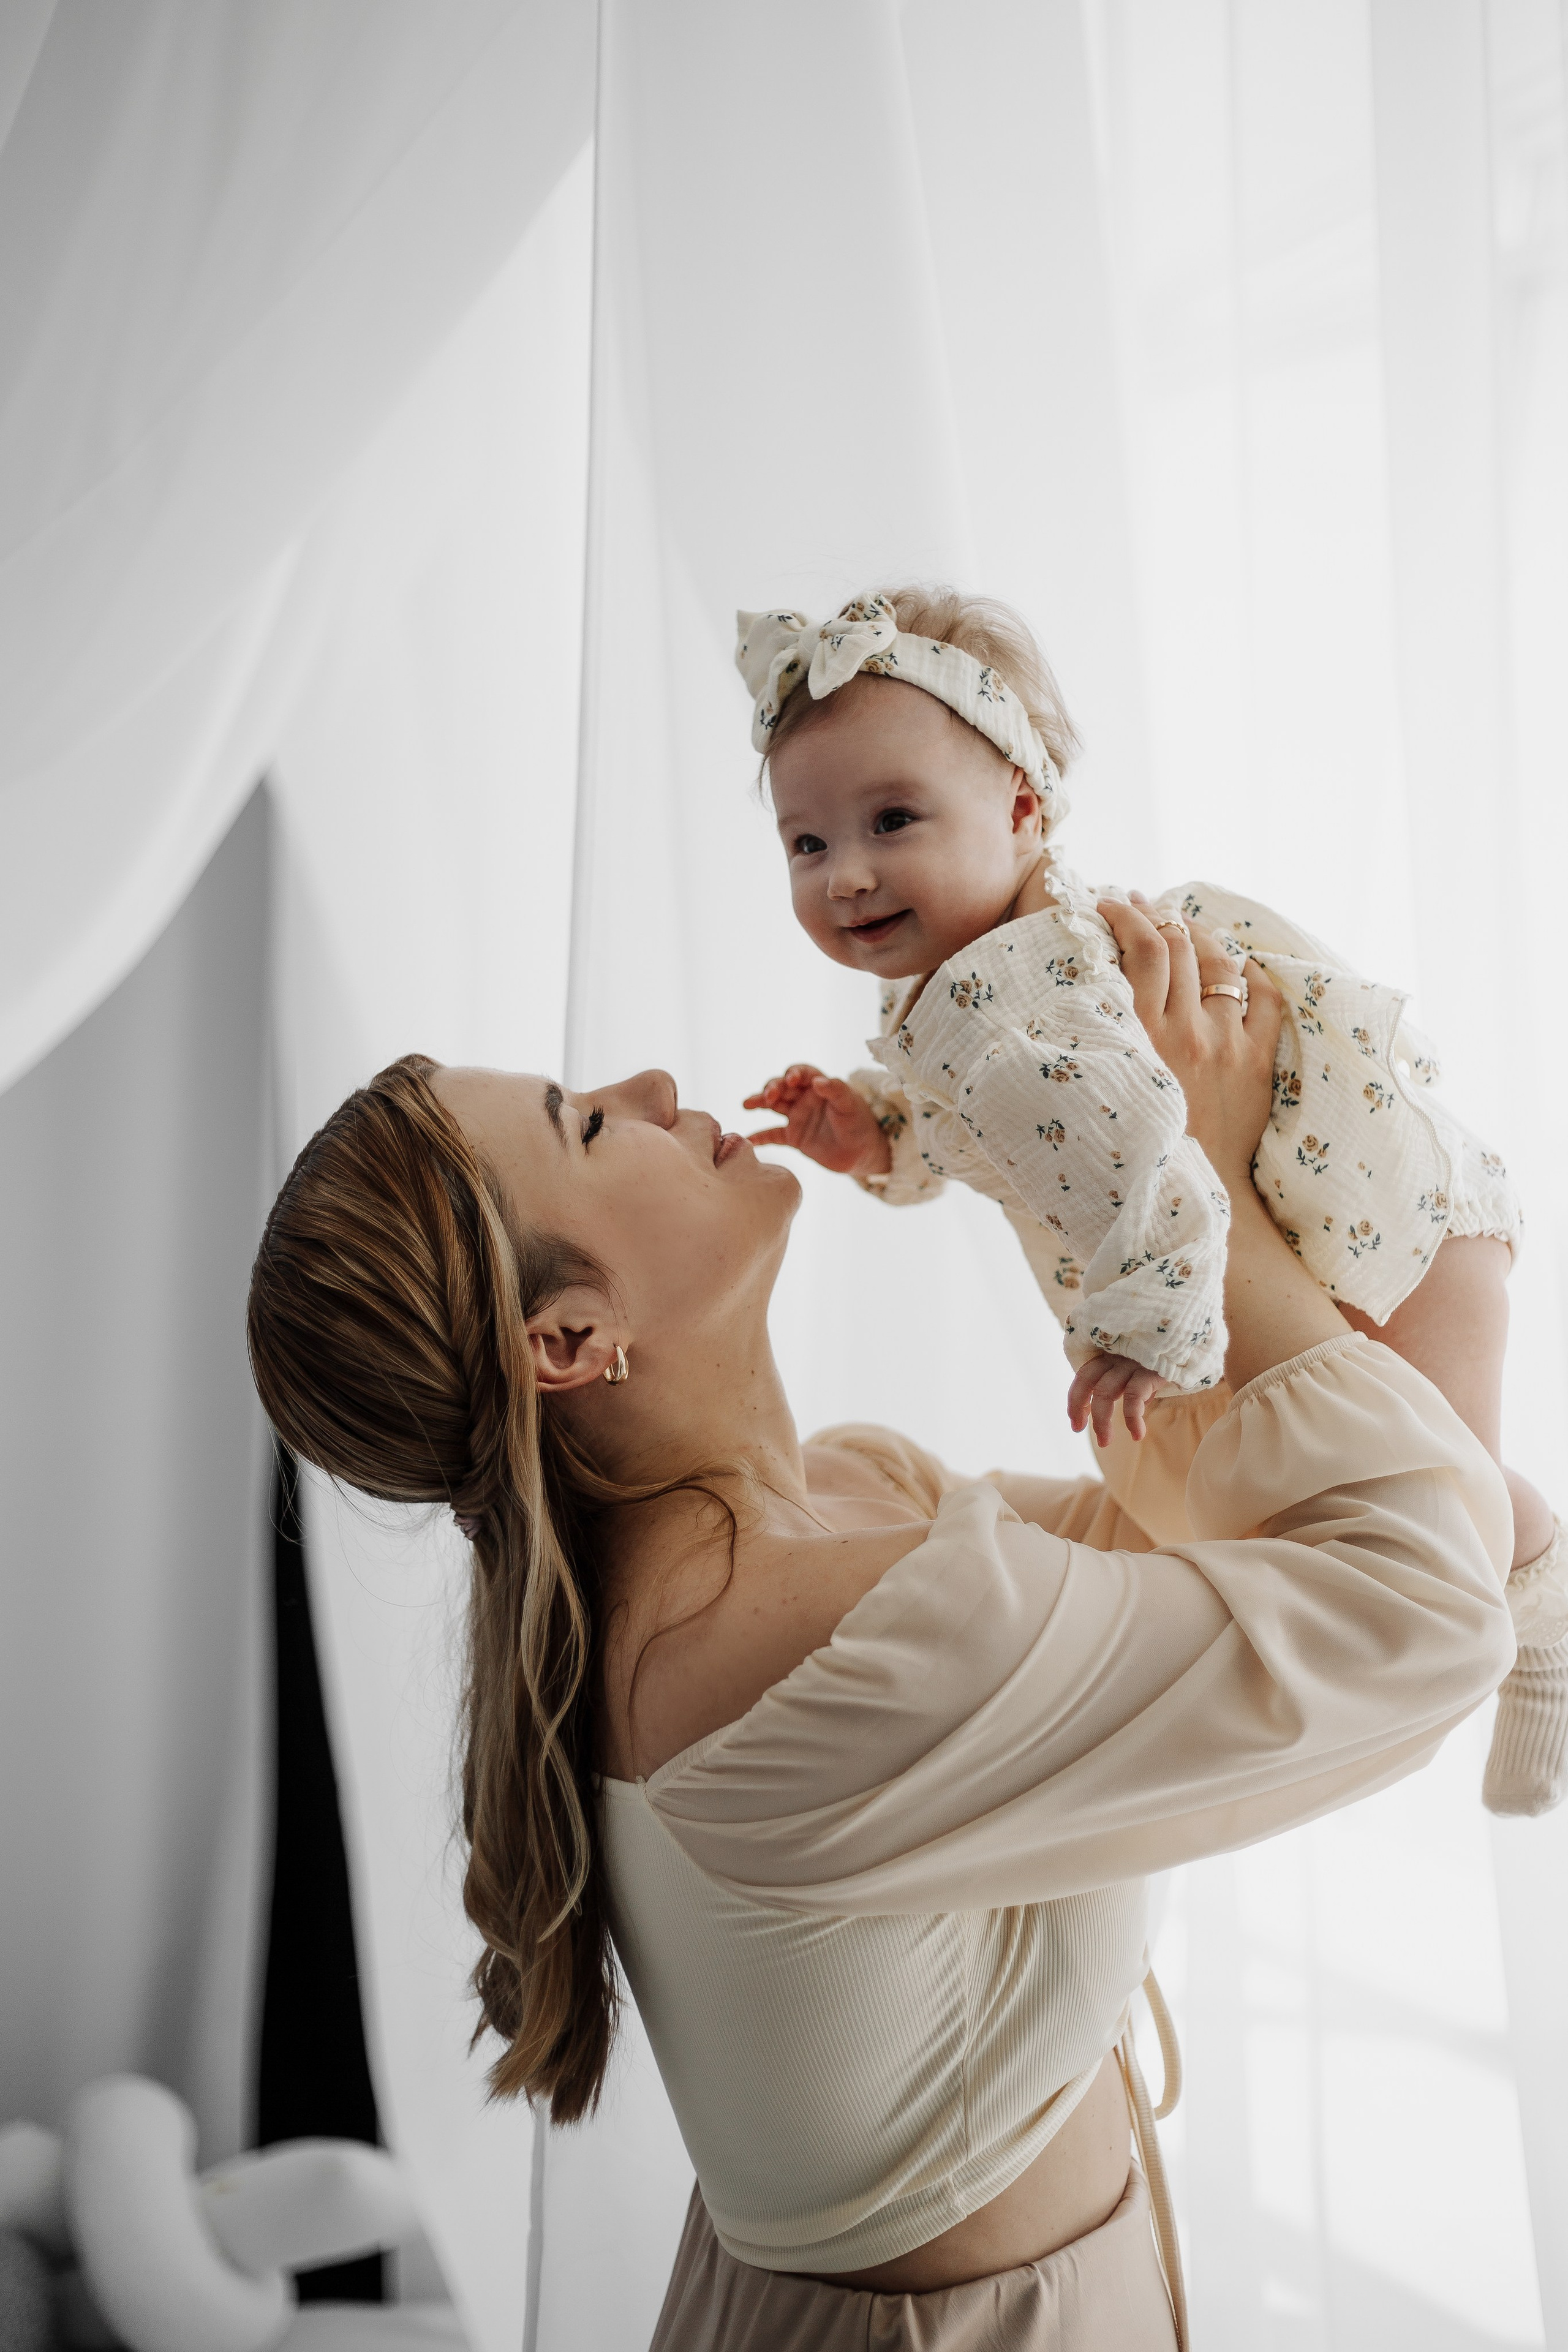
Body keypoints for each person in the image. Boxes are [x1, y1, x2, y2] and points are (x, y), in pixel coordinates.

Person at [246, 909, 1513, 2350]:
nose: (650, 1088)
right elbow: (1422, 1614)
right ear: (567, 1342)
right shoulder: (787, 1646)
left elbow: (1207, 1545)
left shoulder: (845, 1501)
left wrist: (1140, 1172)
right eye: (588, 1126)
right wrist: (1198, 1187)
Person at [738, 586, 1567, 1815]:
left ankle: (1547, 1615)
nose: (846, 876)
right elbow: (1002, 1131)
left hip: (1391, 1231)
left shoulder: (1033, 996)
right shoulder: (966, 978)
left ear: (1022, 808)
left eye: (891, 821)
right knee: (1356, 1517)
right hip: (1325, 1226)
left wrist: (1146, 1332)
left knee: (1440, 1509)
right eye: (806, 845)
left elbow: (1156, 1159)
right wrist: (880, 1132)